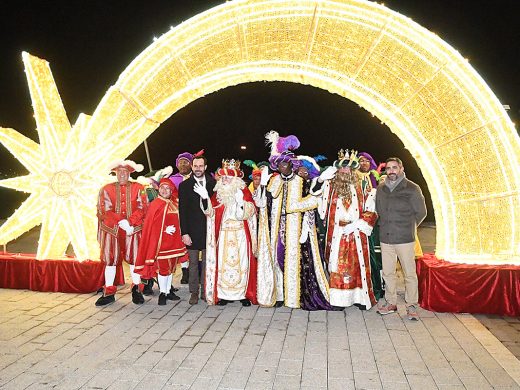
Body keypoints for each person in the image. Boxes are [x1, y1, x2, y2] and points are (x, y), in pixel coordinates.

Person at [255, 131, 330, 309]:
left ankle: (294, 297)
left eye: (285, 164)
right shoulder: (273, 181)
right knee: (278, 258)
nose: (282, 167)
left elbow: (314, 200)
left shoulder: (301, 180)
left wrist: (304, 224)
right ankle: (280, 294)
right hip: (276, 227)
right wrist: (263, 186)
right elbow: (262, 202)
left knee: (295, 262)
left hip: (296, 228)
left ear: (291, 165)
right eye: (279, 165)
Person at [311, 150, 378, 309]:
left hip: (356, 231)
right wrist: (320, 178)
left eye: (348, 168)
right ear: (337, 170)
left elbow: (372, 208)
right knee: (337, 265)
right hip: (336, 233)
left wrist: (356, 225)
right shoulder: (330, 185)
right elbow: (315, 192)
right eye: (342, 168)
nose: (345, 171)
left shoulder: (363, 185)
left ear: (353, 170)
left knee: (357, 266)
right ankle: (339, 301)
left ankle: (359, 298)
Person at [195, 159, 258, 306]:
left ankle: (243, 295)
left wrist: (241, 203)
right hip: (223, 235)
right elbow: (210, 213)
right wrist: (205, 198)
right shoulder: (218, 194)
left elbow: (251, 212)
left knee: (241, 264)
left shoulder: (244, 192)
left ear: (235, 179)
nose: (224, 179)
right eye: (222, 177)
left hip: (240, 235)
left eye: (227, 177)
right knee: (223, 264)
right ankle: (223, 295)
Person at [375, 157, 427, 321]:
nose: (391, 171)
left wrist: (409, 226)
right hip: (386, 238)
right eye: (388, 168)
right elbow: (379, 210)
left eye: (394, 167)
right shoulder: (381, 188)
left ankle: (411, 304)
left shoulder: (412, 188)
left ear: (401, 169)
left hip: (405, 238)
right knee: (388, 273)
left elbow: (421, 212)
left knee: (409, 274)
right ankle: (391, 302)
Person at [95, 160, 148, 306]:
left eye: (125, 172)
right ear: (115, 173)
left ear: (130, 173)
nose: (122, 174)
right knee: (110, 260)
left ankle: (137, 289)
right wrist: (120, 221)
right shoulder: (106, 189)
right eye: (120, 172)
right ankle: (109, 292)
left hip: (133, 229)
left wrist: (130, 222)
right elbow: (103, 209)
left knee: (134, 259)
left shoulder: (139, 187)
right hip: (112, 230)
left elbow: (143, 207)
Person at [134, 179, 187, 305]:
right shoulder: (156, 204)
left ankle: (168, 291)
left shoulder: (174, 203)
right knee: (163, 269)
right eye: (162, 188)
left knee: (171, 269)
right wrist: (164, 229)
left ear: (171, 191)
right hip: (161, 244)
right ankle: (162, 293)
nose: (164, 190)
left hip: (174, 243)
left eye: (167, 188)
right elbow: (151, 225)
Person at [179, 152, 216, 305]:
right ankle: (193, 292)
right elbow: (183, 211)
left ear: (205, 167)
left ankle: (205, 291)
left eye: (201, 166)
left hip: (208, 230)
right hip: (192, 231)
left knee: (208, 262)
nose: (198, 168)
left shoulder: (213, 183)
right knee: (193, 263)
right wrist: (184, 233)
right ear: (192, 167)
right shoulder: (185, 185)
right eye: (195, 166)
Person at [358, 152, 384, 301]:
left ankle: (376, 286)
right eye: (361, 161)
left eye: (366, 161)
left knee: (373, 253)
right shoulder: (354, 176)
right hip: (357, 220)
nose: (364, 163)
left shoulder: (375, 177)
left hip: (373, 220)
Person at [169, 152, 194, 285]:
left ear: (191, 164)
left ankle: (195, 268)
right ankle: (185, 270)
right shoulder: (172, 179)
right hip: (177, 216)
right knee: (180, 243)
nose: (183, 165)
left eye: (186, 162)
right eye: (181, 162)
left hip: (193, 216)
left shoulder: (197, 177)